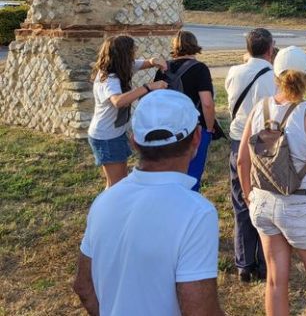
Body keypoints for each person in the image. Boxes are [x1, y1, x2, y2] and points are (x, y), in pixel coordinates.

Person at [74, 90, 224, 315]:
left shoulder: (104, 201)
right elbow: (199, 310)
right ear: (196, 138)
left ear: (134, 141)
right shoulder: (197, 212)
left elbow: (83, 286)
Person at [237, 46, 306, 316]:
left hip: (262, 201)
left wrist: (249, 196)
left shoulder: (260, 108)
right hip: (300, 206)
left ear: (276, 76)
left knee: (275, 280)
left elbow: (241, 161)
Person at [224, 28, 276, 282]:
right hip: (262, 141)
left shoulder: (233, 72)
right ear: (270, 49)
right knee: (265, 200)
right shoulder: (271, 76)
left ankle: (245, 263)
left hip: (237, 140)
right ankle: (267, 262)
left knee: (241, 201)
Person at [87, 35, 168, 188]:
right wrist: (148, 87)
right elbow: (118, 101)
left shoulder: (122, 67)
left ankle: (111, 209)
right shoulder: (109, 78)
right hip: (106, 137)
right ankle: (109, 210)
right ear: (124, 54)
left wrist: (154, 61)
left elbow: (144, 63)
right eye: (133, 49)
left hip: (113, 134)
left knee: (116, 182)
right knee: (117, 185)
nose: (135, 52)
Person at [155, 30, 215, 192]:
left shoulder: (163, 68)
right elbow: (207, 103)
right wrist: (209, 129)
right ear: (195, 46)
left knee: (168, 172)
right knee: (192, 174)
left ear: (175, 47)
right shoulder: (200, 69)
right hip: (193, 127)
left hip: (167, 127)